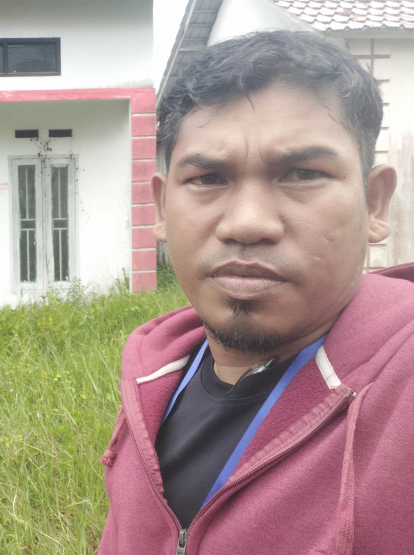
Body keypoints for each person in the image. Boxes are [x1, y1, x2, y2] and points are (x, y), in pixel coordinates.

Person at [98, 30, 414, 554]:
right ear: (161, 207)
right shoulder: (152, 376)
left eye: (302, 173)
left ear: (375, 203)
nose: (247, 223)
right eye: (208, 178)